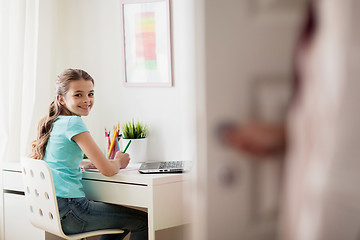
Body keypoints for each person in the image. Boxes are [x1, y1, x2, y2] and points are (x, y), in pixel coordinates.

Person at [30, 69, 148, 240]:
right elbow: (108, 170)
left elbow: (57, 161)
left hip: (56, 209)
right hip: (72, 211)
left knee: (120, 222)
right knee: (142, 221)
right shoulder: (74, 122)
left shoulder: (55, 122)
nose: (87, 100)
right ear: (61, 99)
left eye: (90, 94)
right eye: (78, 95)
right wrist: (119, 161)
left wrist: (82, 163)